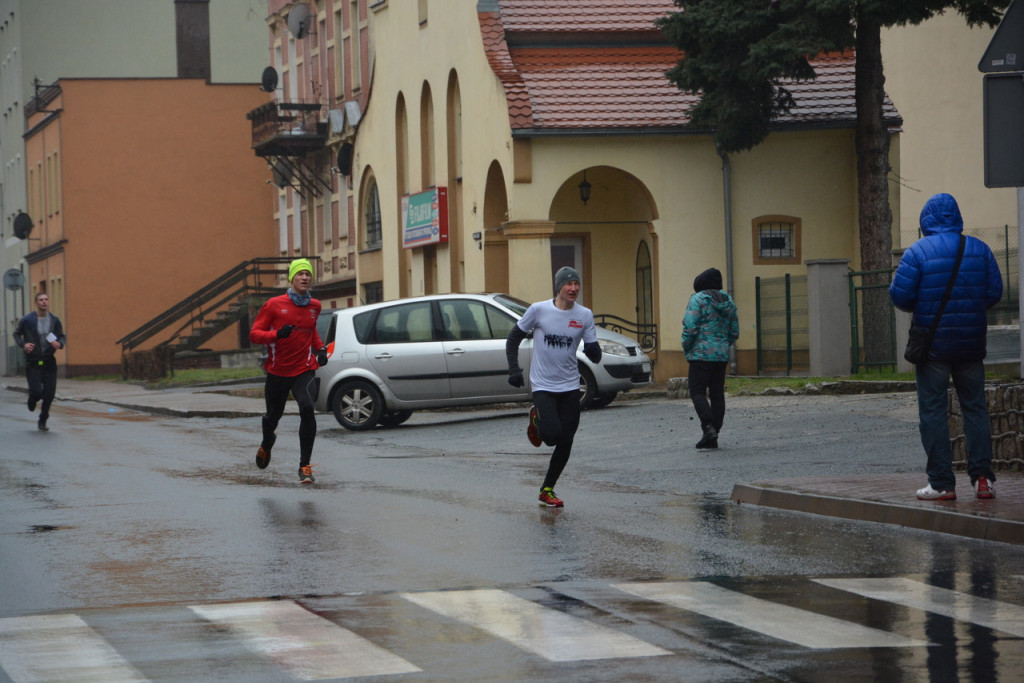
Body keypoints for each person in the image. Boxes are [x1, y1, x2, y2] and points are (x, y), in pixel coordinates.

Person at [890, 193, 1003, 501]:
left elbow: (899, 296)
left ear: (926, 220)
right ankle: (983, 480)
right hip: (970, 344)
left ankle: (941, 483)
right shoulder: (979, 250)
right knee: (975, 409)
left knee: (933, 412)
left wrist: (925, 304)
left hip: (933, 347)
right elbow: (994, 292)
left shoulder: (917, 252)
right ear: (957, 217)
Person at [506, 266, 602, 507]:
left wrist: (594, 350)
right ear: (559, 287)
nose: (574, 288)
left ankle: (547, 488)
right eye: (568, 284)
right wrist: (514, 369)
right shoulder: (539, 310)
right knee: (550, 437)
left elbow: (593, 349)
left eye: (576, 284)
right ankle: (537, 419)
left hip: (570, 385)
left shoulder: (584, 315)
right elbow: (513, 337)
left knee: (566, 439)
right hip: (544, 385)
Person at [249, 258, 329, 484]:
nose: (305, 277)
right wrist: (276, 335)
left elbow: (310, 331)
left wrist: (320, 348)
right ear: (292, 278)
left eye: (308, 274)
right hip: (277, 371)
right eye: (300, 274)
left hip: (304, 369)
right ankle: (266, 443)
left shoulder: (315, 306)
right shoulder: (274, 304)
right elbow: (254, 334)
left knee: (306, 407)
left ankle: (304, 466)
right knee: (273, 417)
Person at [681, 267, 739, 450]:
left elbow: (690, 327)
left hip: (700, 355)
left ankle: (707, 427)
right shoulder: (728, 301)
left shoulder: (697, 299)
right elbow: (734, 331)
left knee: (697, 391)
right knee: (716, 393)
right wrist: (723, 345)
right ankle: (714, 433)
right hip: (720, 355)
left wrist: (687, 345)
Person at [13, 292, 67, 431]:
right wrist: (23, 345)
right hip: (33, 362)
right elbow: (16, 334)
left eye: (46, 299)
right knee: (37, 391)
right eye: (41, 300)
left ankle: (43, 419)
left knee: (49, 393)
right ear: (36, 303)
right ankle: (32, 400)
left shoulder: (54, 320)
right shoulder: (27, 320)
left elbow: (61, 336)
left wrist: (59, 344)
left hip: (49, 361)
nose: (44, 302)